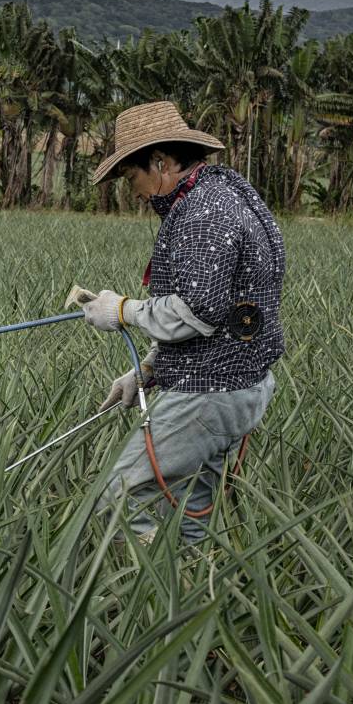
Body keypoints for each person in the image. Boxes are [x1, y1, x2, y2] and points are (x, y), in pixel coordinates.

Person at [76, 100, 286, 543]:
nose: (133, 192)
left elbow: (197, 310)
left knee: (117, 496)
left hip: (209, 394)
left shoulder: (202, 214)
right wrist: (150, 368)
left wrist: (121, 310)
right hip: (238, 385)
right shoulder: (223, 193)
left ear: (161, 162)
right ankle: (189, 595)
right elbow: (222, 307)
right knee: (189, 510)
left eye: (132, 177)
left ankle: (140, 598)